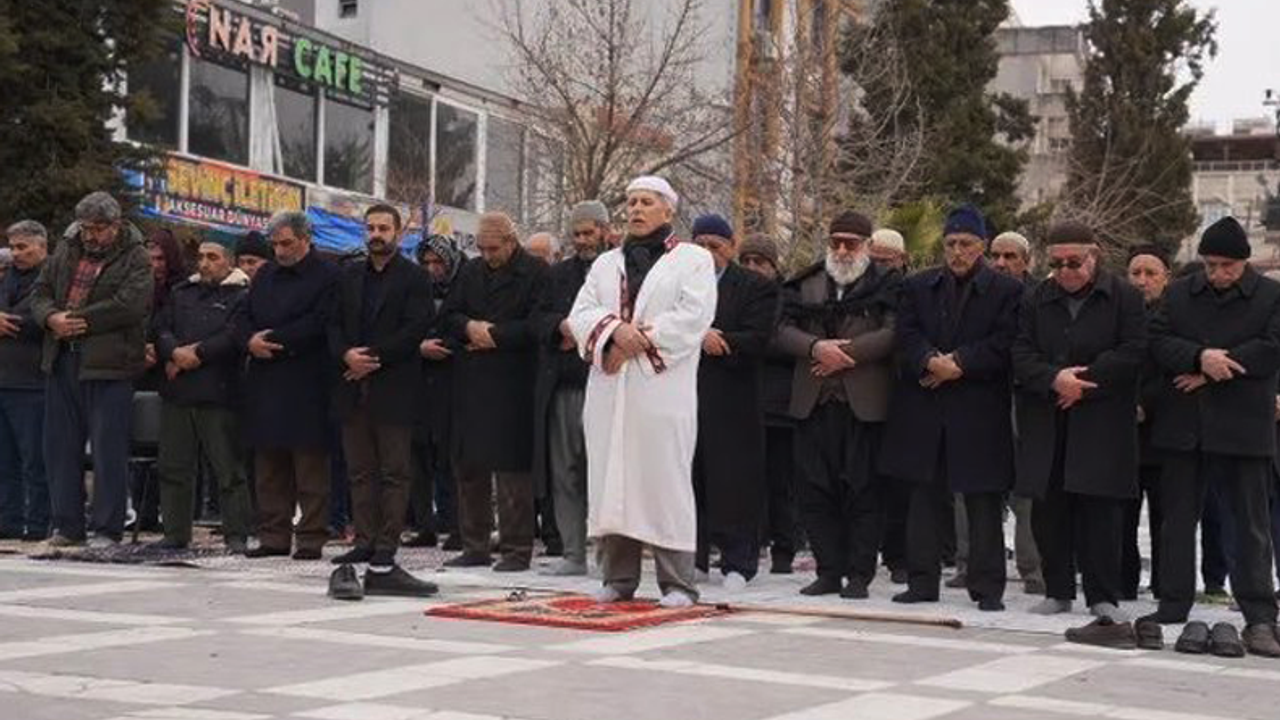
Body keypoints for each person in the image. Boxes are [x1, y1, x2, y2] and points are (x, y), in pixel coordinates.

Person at [567, 175, 716, 607]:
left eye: (646, 202)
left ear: (668, 209)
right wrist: (613, 334)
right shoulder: (606, 263)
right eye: (631, 202)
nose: (635, 209)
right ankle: (618, 578)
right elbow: (581, 313)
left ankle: (678, 583)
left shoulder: (693, 259)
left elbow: (694, 316)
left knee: (664, 481)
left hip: (661, 389)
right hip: (610, 387)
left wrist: (639, 340)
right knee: (611, 479)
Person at [1146, 217, 1280, 657]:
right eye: (1211, 265)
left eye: (1227, 266)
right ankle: (1173, 603)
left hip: (1243, 427)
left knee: (1249, 525)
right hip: (1185, 426)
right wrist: (1199, 356)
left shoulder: (1271, 296)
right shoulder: (1180, 293)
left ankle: (1259, 613)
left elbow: (1272, 348)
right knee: (1177, 520)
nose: (1218, 274)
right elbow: (1157, 340)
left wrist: (1216, 369)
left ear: (1244, 263)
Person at [881, 205, 1022, 612]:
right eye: (951, 244)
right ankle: (922, 581)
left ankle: (987, 587)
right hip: (926, 405)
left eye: (966, 244)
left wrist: (960, 363)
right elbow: (906, 335)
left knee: (982, 501)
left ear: (982, 246)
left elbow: (1006, 341)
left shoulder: (1007, 291)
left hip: (978, 409)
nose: (957, 252)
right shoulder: (918, 286)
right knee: (923, 497)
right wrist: (930, 360)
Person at [1012, 220, 1146, 648]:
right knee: (1050, 510)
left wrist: (1082, 384)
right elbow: (1020, 352)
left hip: (1101, 417)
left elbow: (1133, 351)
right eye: (1057, 263)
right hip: (1049, 415)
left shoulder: (1124, 296)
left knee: (1100, 512)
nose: (1065, 271)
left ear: (1094, 257)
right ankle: (1058, 589)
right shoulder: (1036, 297)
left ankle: (1102, 595)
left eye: (1074, 262)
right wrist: (1055, 380)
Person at [776, 210, 899, 598]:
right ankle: (828, 571)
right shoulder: (805, 282)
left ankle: (859, 574)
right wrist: (816, 347)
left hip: (863, 404)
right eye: (836, 243)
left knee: (864, 492)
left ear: (867, 246)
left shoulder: (886, 283)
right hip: (813, 403)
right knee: (814, 491)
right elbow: (779, 329)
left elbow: (894, 332)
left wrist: (847, 354)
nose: (843, 251)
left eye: (851, 243)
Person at [31, 192, 153, 547]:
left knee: (107, 449)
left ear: (115, 225)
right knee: (59, 448)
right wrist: (50, 318)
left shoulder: (136, 255)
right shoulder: (66, 249)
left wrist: (78, 320)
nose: (91, 235)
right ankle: (67, 526)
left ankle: (107, 527)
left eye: (98, 228)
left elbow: (130, 305)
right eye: (86, 227)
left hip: (110, 365)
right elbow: (40, 293)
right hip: (62, 360)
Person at [327, 204, 437, 595]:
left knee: (394, 472)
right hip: (352, 386)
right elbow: (332, 324)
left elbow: (415, 328)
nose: (376, 234)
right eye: (371, 228)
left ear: (398, 233)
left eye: (383, 228)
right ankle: (364, 539)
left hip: (393, 386)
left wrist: (371, 359)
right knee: (360, 471)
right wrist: (346, 355)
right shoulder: (349, 275)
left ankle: (386, 544)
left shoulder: (415, 277)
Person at [439, 212, 549, 572]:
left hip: (514, 383)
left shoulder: (536, 273)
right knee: (470, 468)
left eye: (494, 249)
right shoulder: (470, 272)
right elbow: (449, 316)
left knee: (512, 473)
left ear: (511, 242)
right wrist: (470, 327)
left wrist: (496, 335)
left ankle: (516, 548)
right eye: (482, 249)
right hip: (471, 381)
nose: (487, 255)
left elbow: (538, 324)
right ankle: (475, 545)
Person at [235, 211, 339, 560]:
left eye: (287, 243)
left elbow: (320, 322)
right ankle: (273, 535)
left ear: (305, 239)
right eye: (275, 244)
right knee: (269, 466)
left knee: (310, 468)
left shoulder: (328, 275)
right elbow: (243, 315)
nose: (280, 251)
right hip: (265, 379)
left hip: (307, 378)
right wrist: (249, 340)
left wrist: (275, 340)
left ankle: (311, 536)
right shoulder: (265, 275)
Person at [689, 214, 778, 591]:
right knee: (690, 478)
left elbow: (759, 337)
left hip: (734, 397)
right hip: (687, 395)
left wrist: (719, 340)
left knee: (734, 482)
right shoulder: (680, 283)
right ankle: (693, 558)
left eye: (715, 246)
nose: (707, 253)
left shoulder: (755, 286)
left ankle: (738, 562)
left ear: (730, 247)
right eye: (700, 245)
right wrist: (697, 334)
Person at [151, 237, 253, 553]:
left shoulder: (242, 295)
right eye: (201, 257)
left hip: (218, 391)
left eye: (213, 257)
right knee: (173, 467)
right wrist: (174, 352)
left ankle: (236, 533)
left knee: (228, 469)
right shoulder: (182, 292)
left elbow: (234, 336)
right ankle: (175, 532)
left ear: (229, 261)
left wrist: (198, 353)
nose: (205, 263)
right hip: (179, 391)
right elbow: (161, 328)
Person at [533, 201, 609, 576]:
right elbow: (539, 318)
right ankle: (573, 553)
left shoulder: (621, 270)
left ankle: (609, 556)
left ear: (605, 231)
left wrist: (587, 332)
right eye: (576, 234)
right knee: (566, 472)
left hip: (607, 385)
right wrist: (561, 327)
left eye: (588, 233)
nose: (582, 240)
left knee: (605, 474)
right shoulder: (558, 275)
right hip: (564, 387)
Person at [740, 233, 800, 574]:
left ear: (774, 267)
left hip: (779, 405)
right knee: (746, 481)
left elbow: (785, 343)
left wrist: (750, 340)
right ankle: (749, 544)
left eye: (759, 262)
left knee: (781, 482)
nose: (752, 268)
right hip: (743, 402)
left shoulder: (787, 298)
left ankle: (784, 548)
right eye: (746, 261)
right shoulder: (732, 294)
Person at [988, 229, 1044, 596]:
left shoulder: (1040, 297)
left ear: (1026, 261)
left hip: (1025, 400)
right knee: (976, 489)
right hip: (983, 399)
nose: (1001, 263)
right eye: (996, 256)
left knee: (1027, 493)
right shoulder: (976, 293)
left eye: (1010, 257)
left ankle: (1034, 570)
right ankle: (972, 564)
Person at [406, 235, 463, 549]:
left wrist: (444, 346)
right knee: (418, 457)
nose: (432, 269)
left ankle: (455, 525)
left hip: (452, 383)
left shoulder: (463, 288)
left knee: (449, 458)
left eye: (438, 262)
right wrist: (418, 347)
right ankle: (424, 524)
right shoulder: (415, 291)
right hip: (418, 383)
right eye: (426, 263)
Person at [1123, 245, 1172, 600]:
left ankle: (1166, 585)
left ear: (1166, 277)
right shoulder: (1118, 315)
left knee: (1165, 517)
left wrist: (1146, 404)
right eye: (1135, 273)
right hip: (1122, 433)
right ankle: (1122, 581)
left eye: (1150, 273)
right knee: (1121, 516)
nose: (1142, 281)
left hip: (1165, 433)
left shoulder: (1178, 316)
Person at [0, 220, 50, 541]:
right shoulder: (7, 279)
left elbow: (39, 319)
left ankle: (39, 522)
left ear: (41, 246)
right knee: (5, 460)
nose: (16, 253)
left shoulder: (51, 278)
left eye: (23, 247)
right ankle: (9, 520)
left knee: (35, 459)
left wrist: (6, 322)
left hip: (33, 380)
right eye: (12, 247)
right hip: (3, 377)